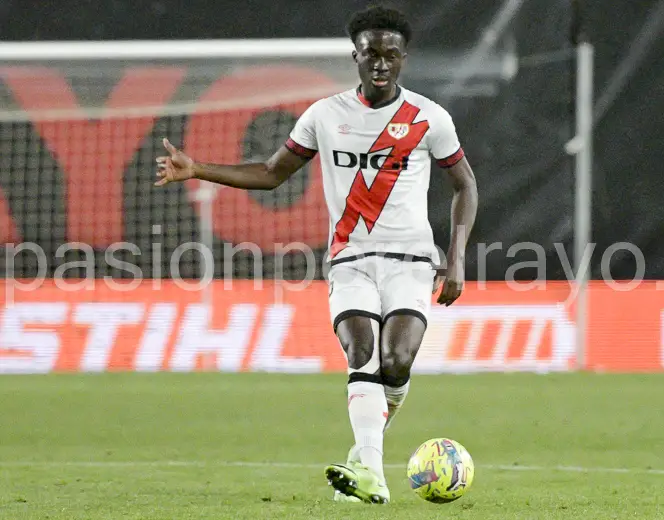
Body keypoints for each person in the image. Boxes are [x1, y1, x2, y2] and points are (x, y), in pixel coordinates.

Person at [155, 4, 478, 505]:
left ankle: (362, 453)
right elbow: (271, 173)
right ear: (356, 56)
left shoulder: (429, 117)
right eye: (371, 54)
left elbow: (465, 185)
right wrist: (198, 169)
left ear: (404, 59)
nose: (381, 64)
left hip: (411, 261)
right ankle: (372, 474)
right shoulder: (325, 115)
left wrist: (455, 259)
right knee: (361, 352)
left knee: (395, 362)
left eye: (391, 55)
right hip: (350, 261)